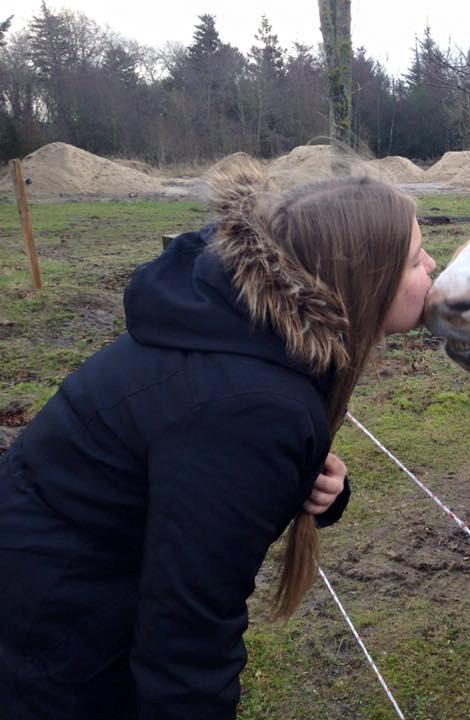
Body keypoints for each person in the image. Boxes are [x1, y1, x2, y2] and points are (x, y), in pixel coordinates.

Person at [0, 158, 436, 719]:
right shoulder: (252, 407)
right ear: (366, 279)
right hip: (55, 636)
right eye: (414, 258)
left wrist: (310, 482)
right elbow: (187, 632)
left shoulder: (246, 337)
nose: (433, 266)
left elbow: (185, 489)